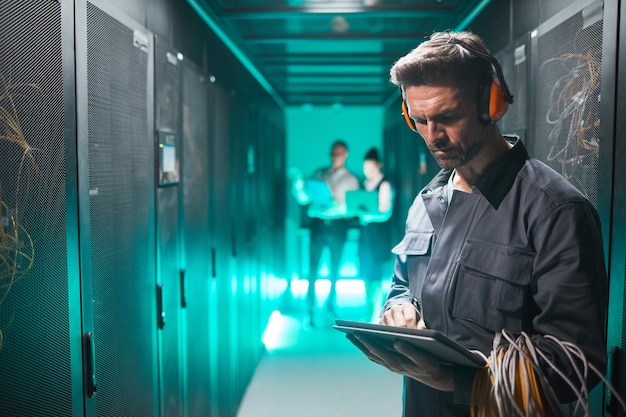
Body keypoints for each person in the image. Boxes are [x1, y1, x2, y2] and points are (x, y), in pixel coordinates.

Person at [346, 31, 608, 416]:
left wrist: (456, 379)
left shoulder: (555, 211)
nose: (433, 137)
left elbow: (577, 362)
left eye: (447, 117)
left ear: (492, 103)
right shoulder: (425, 202)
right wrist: (399, 308)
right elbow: (402, 284)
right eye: (418, 120)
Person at [292, 140, 359, 326]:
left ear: (345, 154)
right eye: (332, 153)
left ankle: (330, 306)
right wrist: (297, 181)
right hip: (318, 224)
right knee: (312, 268)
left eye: (338, 153)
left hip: (338, 226)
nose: (334, 157)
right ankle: (310, 307)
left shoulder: (351, 179)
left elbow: (354, 207)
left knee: (334, 269)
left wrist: (338, 205)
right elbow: (304, 197)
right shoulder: (320, 174)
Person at [354, 147, 394, 322]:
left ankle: (375, 315)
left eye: (370, 166)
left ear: (379, 165)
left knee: (376, 276)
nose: (367, 170)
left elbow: (385, 212)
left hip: (378, 235)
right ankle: (369, 311)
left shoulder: (385, 184)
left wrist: (365, 215)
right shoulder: (363, 184)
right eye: (365, 167)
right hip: (366, 235)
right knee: (365, 274)